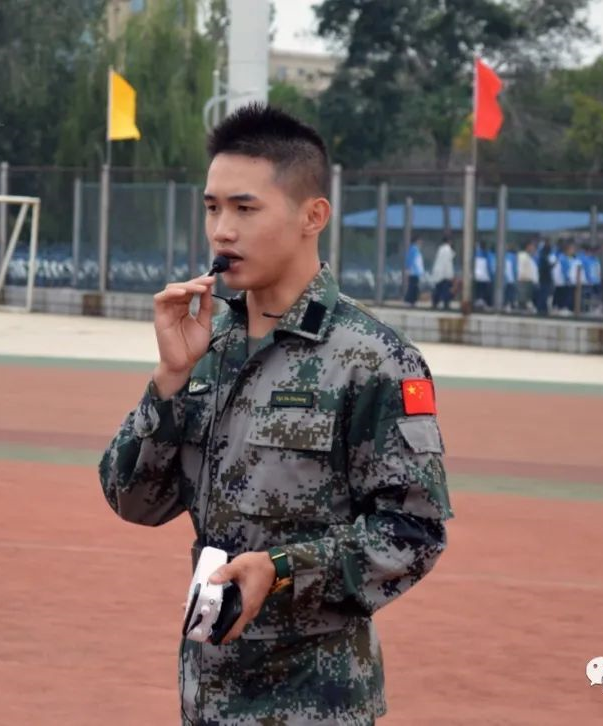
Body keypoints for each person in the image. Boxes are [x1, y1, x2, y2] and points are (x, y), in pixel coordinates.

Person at [98, 104, 453, 725]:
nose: (222, 231)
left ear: (312, 216)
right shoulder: (208, 345)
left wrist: (283, 570)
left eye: (245, 209)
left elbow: (413, 532)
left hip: (315, 702)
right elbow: (134, 500)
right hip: (206, 695)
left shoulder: (374, 359)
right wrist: (170, 378)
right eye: (212, 208)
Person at [430, 236, 455, 310]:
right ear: (449, 241)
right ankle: (446, 304)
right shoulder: (448, 250)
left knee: (438, 289)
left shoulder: (440, 249)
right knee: (445, 290)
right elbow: (448, 263)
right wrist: (450, 275)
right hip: (445, 274)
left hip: (438, 273)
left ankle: (435, 303)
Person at [404, 238, 425, 306]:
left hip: (415, 272)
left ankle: (412, 300)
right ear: (416, 241)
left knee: (414, 287)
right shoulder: (413, 249)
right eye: (420, 241)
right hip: (413, 272)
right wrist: (408, 269)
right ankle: (410, 300)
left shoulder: (416, 249)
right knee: (413, 287)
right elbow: (410, 260)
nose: (421, 243)